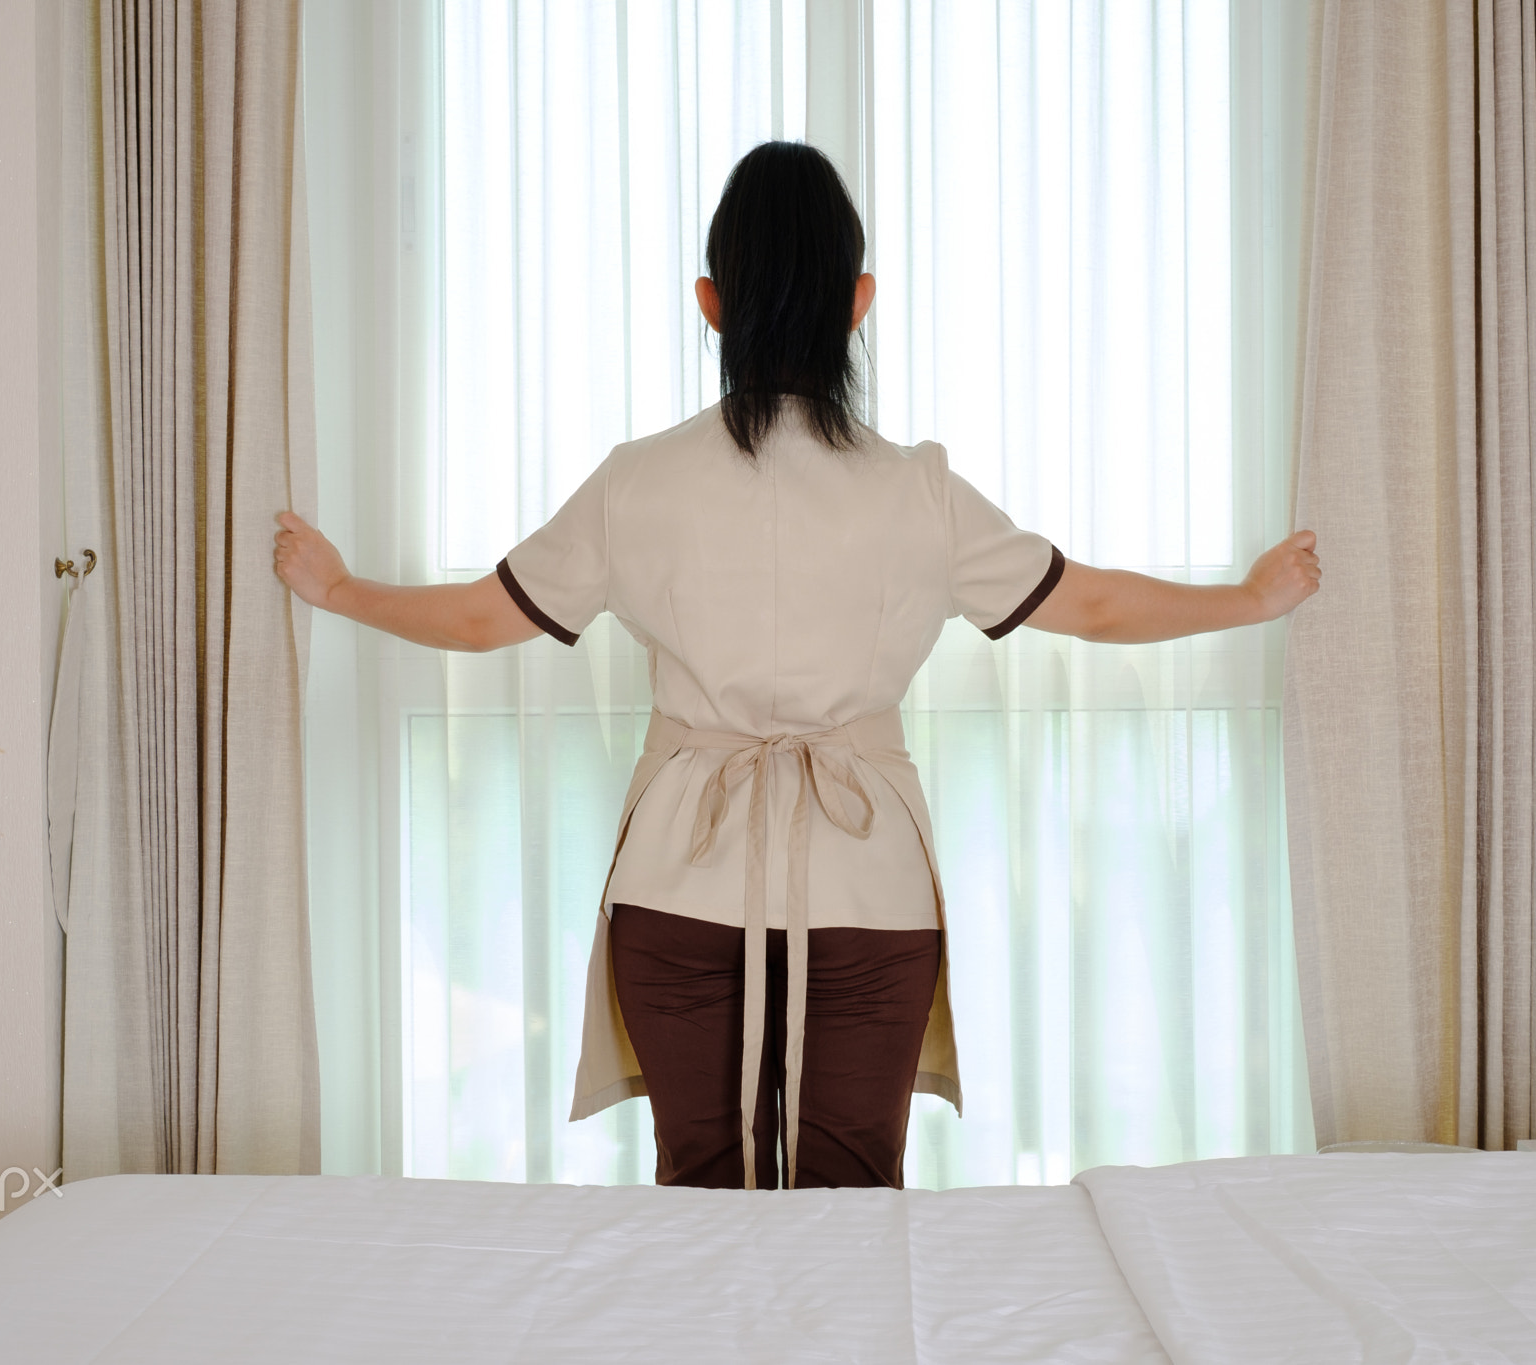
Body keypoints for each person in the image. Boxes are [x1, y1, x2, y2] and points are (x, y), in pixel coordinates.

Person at [275, 141, 1319, 1193]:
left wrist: (338, 587)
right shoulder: (919, 492)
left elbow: (479, 618)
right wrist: (1246, 599)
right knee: (853, 1198)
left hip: (675, 890)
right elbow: (1086, 602)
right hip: (869, 892)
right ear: (857, 302)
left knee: (700, 1190)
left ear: (709, 303)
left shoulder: (635, 483)